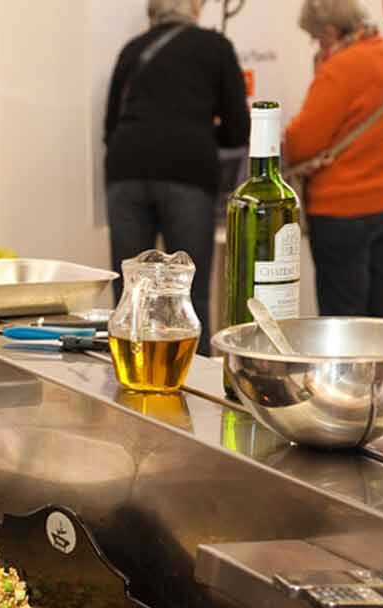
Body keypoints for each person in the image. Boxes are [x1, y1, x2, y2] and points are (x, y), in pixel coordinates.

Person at [105, 0, 249, 354]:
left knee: (130, 292)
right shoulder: (215, 47)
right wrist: (196, 134)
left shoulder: (132, 49)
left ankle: (128, 378)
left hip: (126, 169)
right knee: (188, 292)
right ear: (195, 8)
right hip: (187, 172)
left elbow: (110, 124)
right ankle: (194, 387)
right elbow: (238, 129)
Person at [285, 0, 383, 320]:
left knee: (343, 317)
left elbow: (301, 143)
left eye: (317, 37)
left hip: (343, 209)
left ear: (330, 31)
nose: (317, 45)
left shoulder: (340, 68)